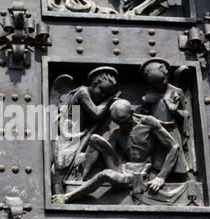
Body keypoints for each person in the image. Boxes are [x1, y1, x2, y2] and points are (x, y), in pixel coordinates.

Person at [52, 99, 180, 204]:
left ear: (132, 111)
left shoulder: (148, 122)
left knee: (105, 174)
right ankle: (80, 180)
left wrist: (161, 177)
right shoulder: (117, 133)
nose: (123, 125)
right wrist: (82, 157)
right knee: (95, 139)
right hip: (121, 168)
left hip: (138, 174)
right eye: (118, 123)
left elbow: (174, 146)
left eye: (125, 120)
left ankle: (68, 197)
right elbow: (107, 156)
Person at [52, 66, 120, 194]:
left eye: (107, 93)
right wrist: (109, 100)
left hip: (80, 134)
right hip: (71, 135)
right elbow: (96, 113)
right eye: (102, 90)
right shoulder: (83, 92)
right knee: (62, 167)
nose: (103, 95)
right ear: (94, 83)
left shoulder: (93, 95)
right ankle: (58, 194)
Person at [140, 58, 189, 177]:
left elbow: (185, 114)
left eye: (161, 81)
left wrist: (175, 110)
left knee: (177, 161)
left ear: (166, 74)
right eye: (154, 84)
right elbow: (145, 116)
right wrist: (146, 103)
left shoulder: (177, 92)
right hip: (156, 134)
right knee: (157, 163)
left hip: (172, 131)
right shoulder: (149, 94)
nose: (158, 86)